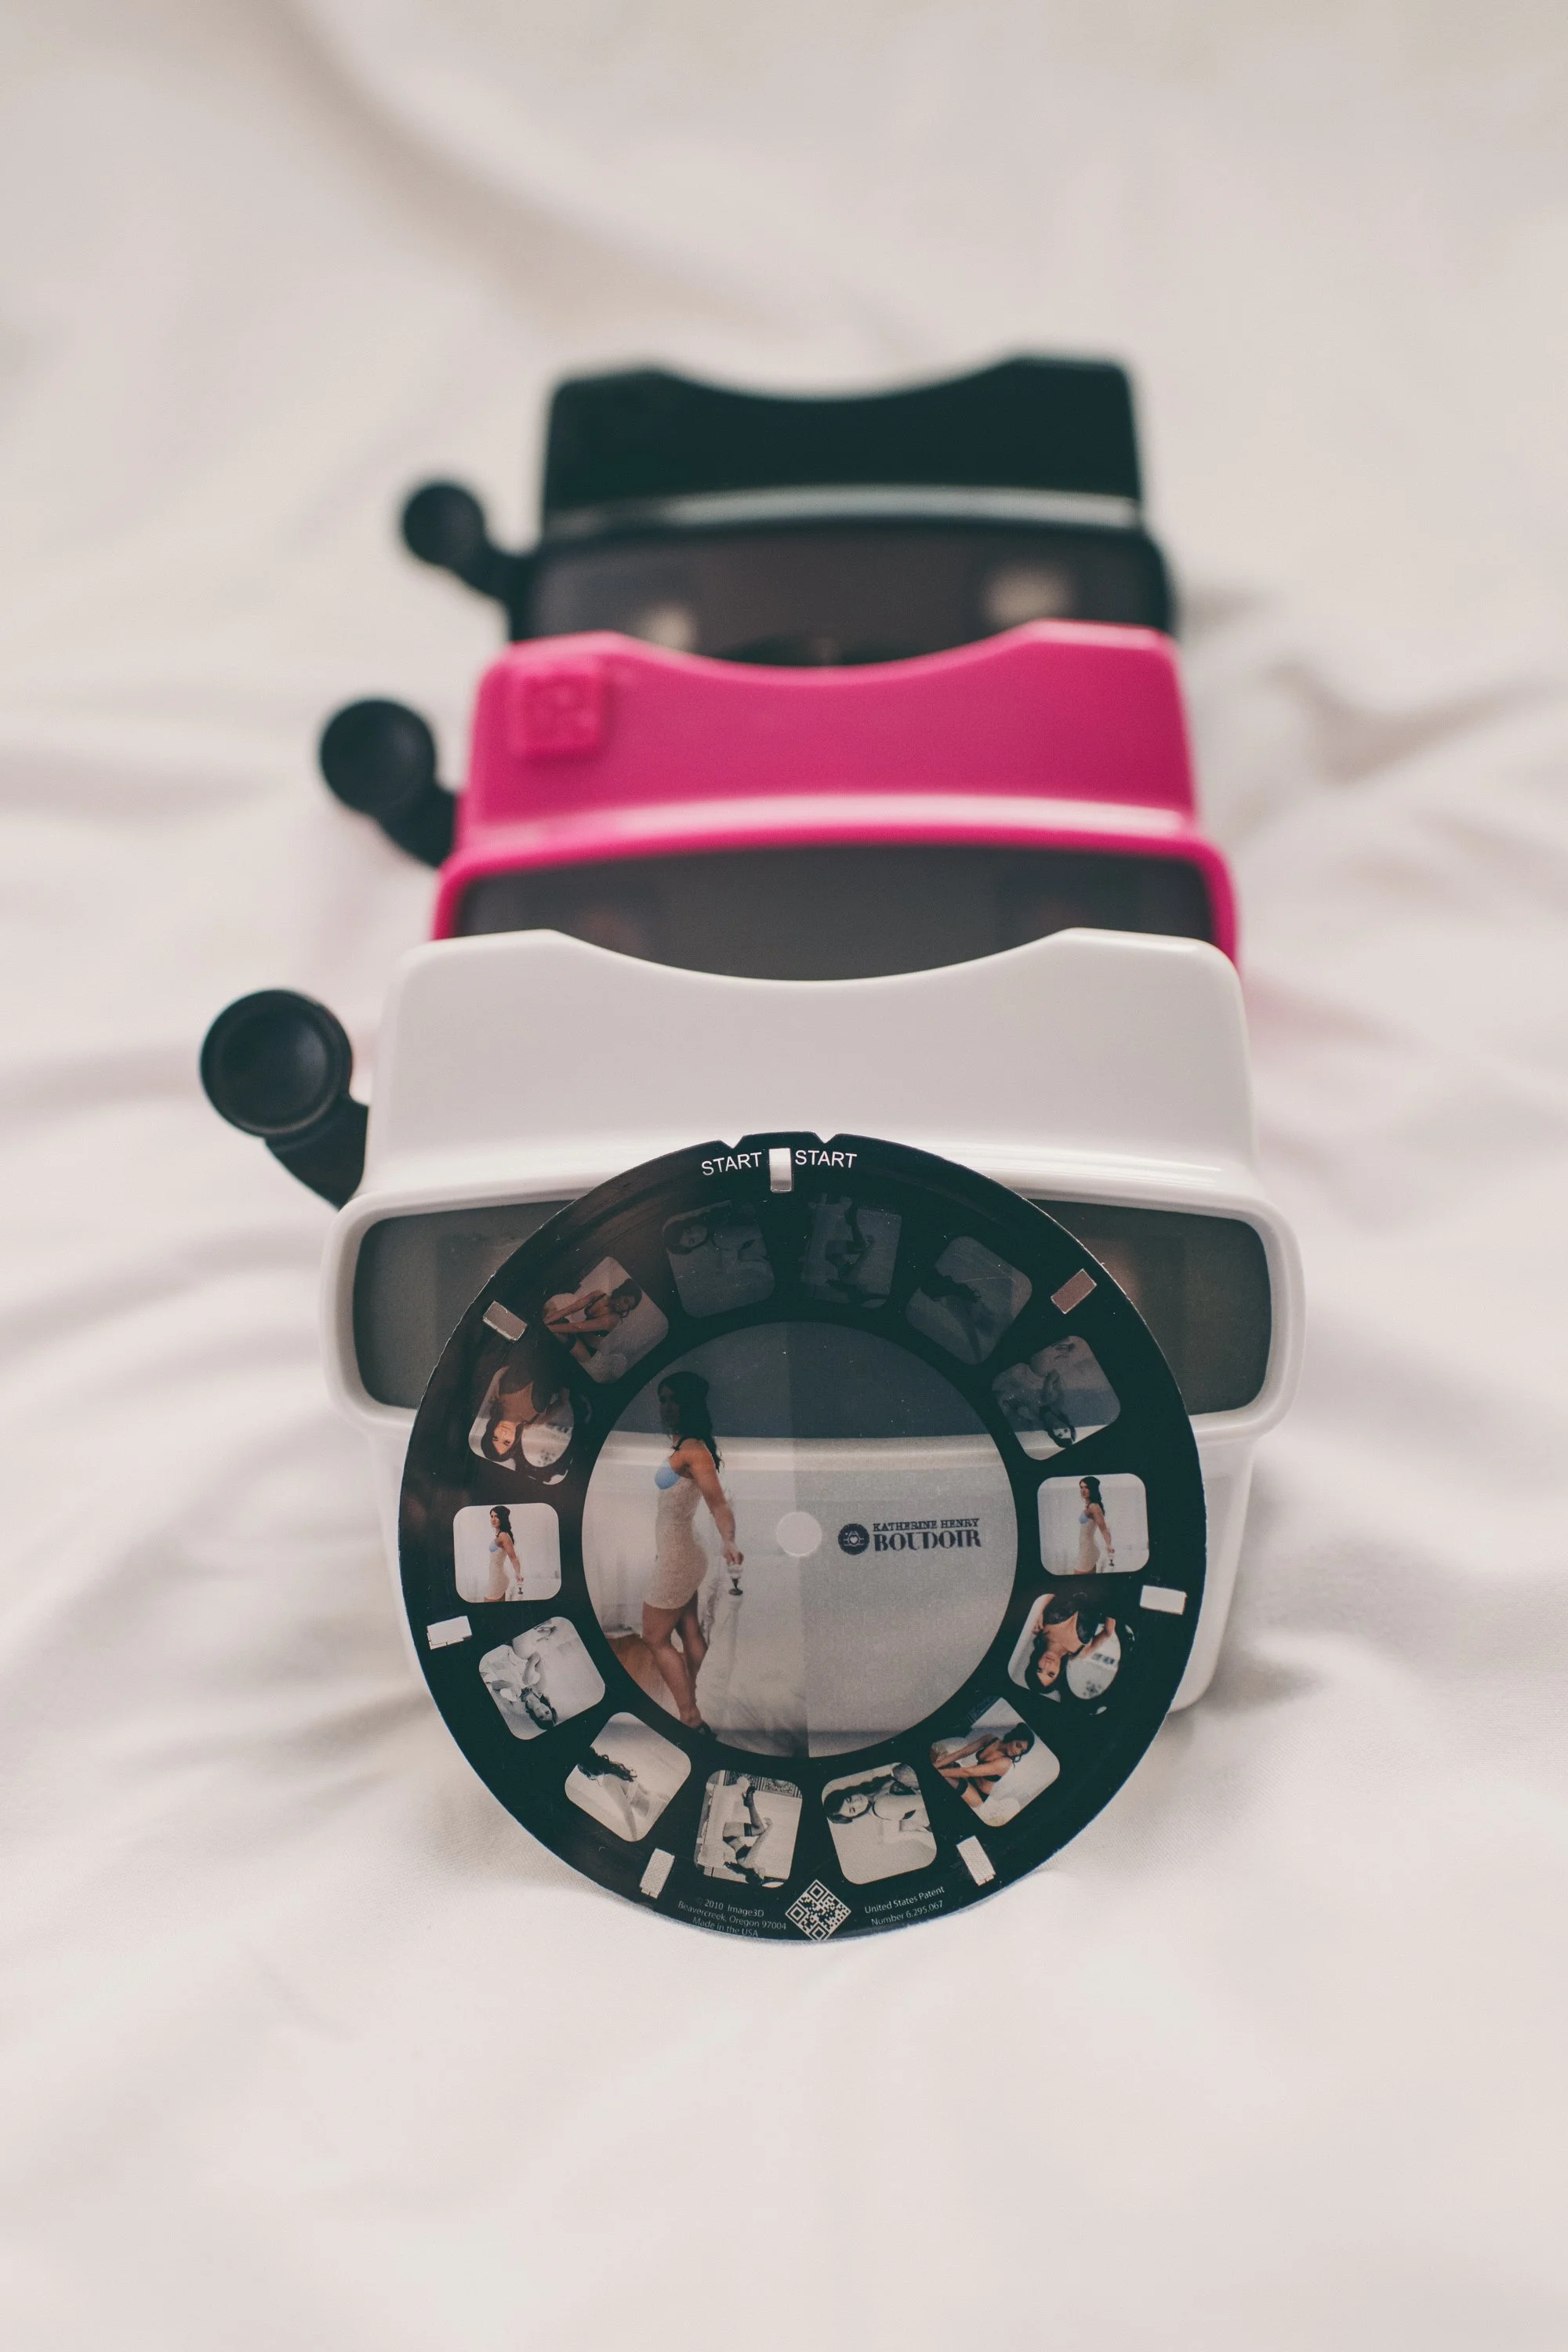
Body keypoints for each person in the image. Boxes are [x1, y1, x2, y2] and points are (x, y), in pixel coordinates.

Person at [642, 1371, 742, 1731]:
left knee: (654, 1638)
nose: (667, 1407)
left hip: (680, 1557)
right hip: (680, 1551)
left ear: (690, 1405)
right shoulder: (683, 1445)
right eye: (663, 1399)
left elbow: (718, 1504)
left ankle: (690, 1718)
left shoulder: (694, 1451)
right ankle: (700, 1701)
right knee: (689, 1631)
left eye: (674, 1400)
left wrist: (729, 1540)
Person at [1020, 1590, 1118, 1693]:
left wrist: (1040, 1612)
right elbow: (1108, 1632)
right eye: (1051, 1673)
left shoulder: (1039, 1628)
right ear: (1059, 1673)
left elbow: (1051, 1591)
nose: (1047, 1665)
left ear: (1035, 1662)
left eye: (1039, 1669)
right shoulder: (1082, 1652)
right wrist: (1110, 1599)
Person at [480, 1368, 573, 1469]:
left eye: (495, 1437)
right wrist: (567, 1370)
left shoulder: (496, 1397)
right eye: (507, 1441)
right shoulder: (535, 1421)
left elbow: (505, 1367)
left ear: (490, 1430)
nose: (503, 1433)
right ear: (514, 1441)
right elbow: (562, 1402)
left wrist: (497, 1378)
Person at [544, 1278, 643, 1367]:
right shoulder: (599, 1295)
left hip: (585, 1349)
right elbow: (571, 1309)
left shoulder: (613, 1319)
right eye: (626, 1301)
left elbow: (578, 1327)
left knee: (556, 1332)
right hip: (577, 1335)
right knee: (551, 1314)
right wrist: (548, 1320)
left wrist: (547, 1327)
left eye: (629, 1307)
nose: (625, 1307)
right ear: (621, 1292)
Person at [933, 1726, 1033, 1811]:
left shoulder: (1005, 1763)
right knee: (942, 1762)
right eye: (1018, 1745)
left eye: (1022, 1751)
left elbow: (969, 1771)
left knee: (944, 1776)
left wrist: (935, 1771)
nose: (1017, 1752)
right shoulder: (990, 1739)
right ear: (1013, 1736)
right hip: (968, 1779)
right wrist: (936, 1766)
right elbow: (963, 1752)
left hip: (977, 1795)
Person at [824, 1762, 927, 1844]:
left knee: (900, 1772)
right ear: (855, 1815)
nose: (857, 1802)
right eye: (853, 1810)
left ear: (849, 1793)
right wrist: (919, 1835)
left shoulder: (878, 1783)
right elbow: (890, 1838)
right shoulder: (879, 1809)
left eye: (850, 1799)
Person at [481, 1504, 523, 1601]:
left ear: (502, 1518)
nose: (493, 1519)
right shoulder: (500, 1535)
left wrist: (518, 1574)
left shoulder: (503, 1536)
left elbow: (514, 1558)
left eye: (496, 1516)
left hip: (497, 1578)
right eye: (492, 1516)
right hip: (496, 1577)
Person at [1076, 1474, 1114, 1573]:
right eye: (1081, 1487)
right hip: (1086, 1549)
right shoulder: (1089, 1506)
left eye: (1086, 1487)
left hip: (1088, 1550)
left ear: (1093, 1489)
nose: (1083, 1490)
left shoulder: (1094, 1507)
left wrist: (1109, 1544)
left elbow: (1104, 1529)